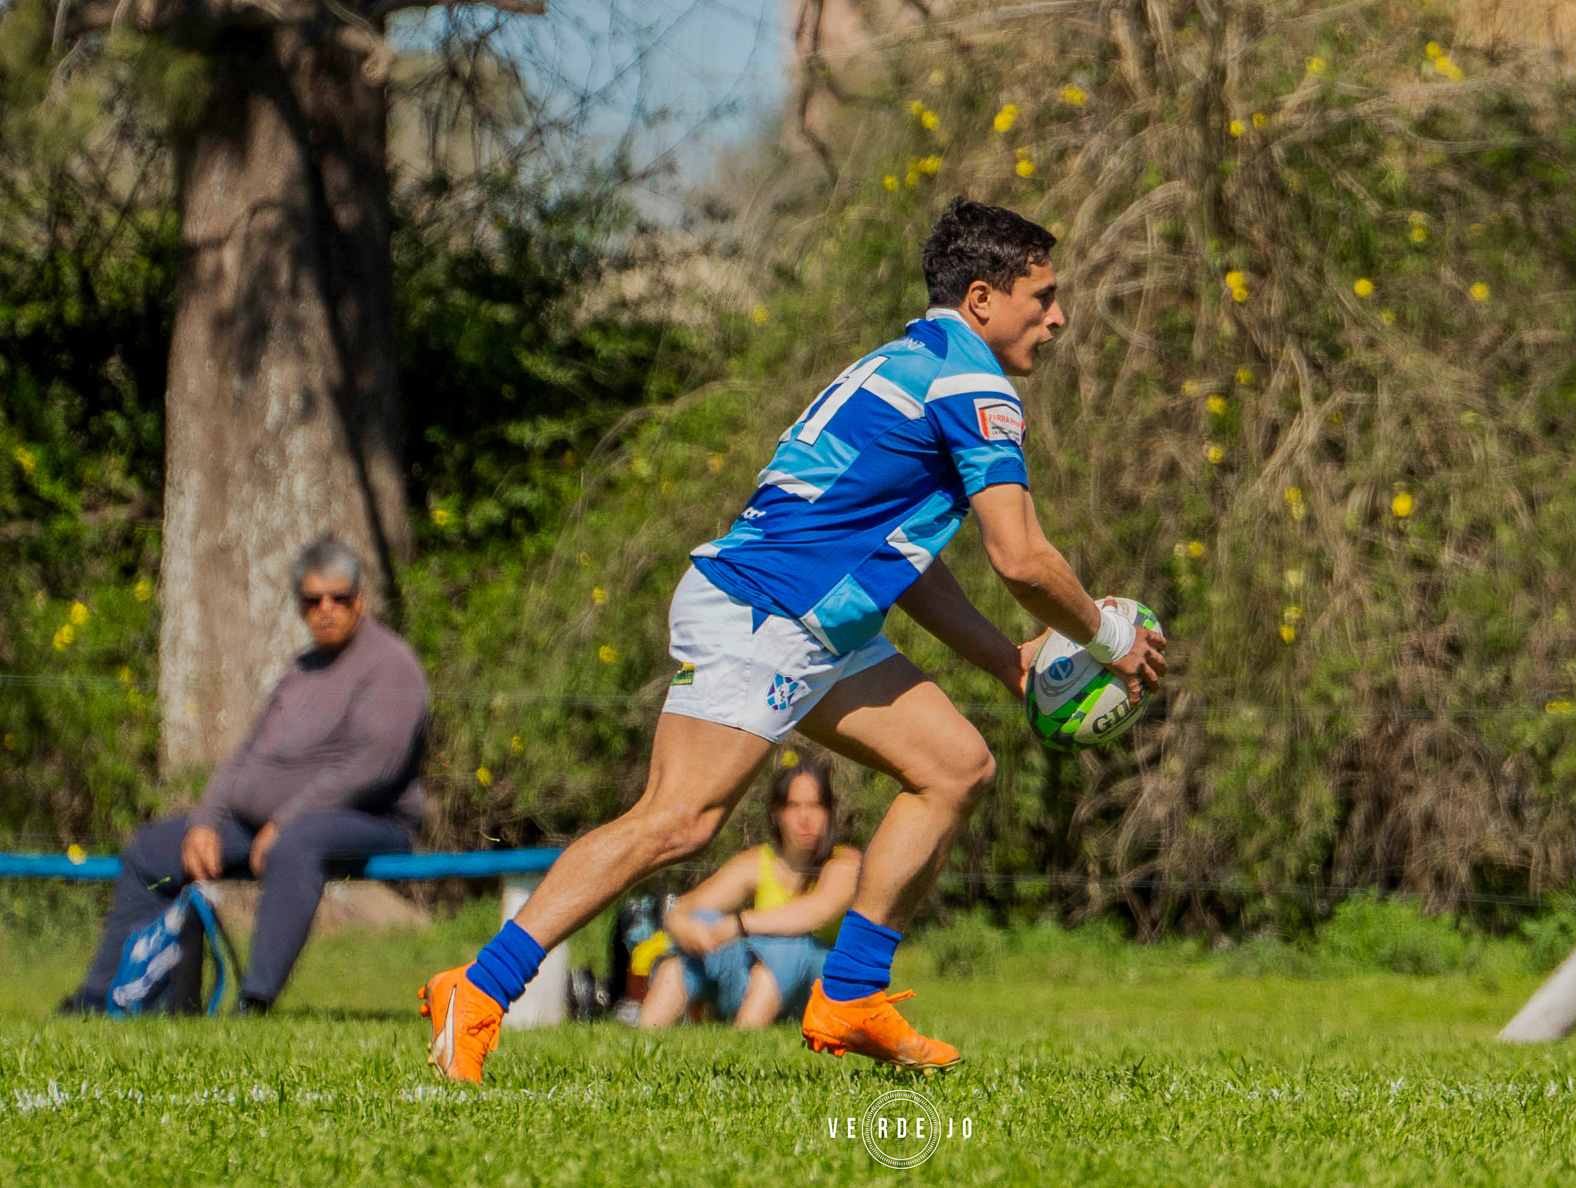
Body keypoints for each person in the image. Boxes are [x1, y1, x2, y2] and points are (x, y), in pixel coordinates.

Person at [421, 196, 1165, 1081]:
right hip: (766, 613)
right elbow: (1023, 559)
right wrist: (1108, 635)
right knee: (677, 822)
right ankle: (479, 988)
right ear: (981, 299)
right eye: (1042, 297)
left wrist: (1009, 662)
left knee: (954, 767)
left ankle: (849, 994)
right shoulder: (973, 387)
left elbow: (907, 563)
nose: (1059, 317)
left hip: (815, 620)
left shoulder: (908, 361)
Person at [62, 537, 428, 1016]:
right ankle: (105, 996)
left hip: (370, 821)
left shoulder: (390, 664)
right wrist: (205, 821)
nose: (326, 610)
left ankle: (254, 1001)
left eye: (338, 598)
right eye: (312, 600)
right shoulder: (301, 670)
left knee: (298, 842)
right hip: (266, 825)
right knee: (152, 850)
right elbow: (246, 757)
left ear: (358, 600)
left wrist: (286, 820)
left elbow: (375, 764)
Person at [637, 758, 860, 1029]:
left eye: (815, 805)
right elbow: (685, 907)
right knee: (701, 925)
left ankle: (745, 1037)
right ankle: (644, 1036)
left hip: (821, 992)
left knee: (790, 947)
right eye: (793, 806)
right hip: (753, 983)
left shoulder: (845, 862)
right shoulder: (758, 861)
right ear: (778, 813)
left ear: (829, 812)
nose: (805, 817)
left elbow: (818, 911)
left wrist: (738, 924)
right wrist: (685, 929)